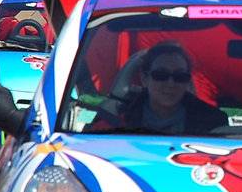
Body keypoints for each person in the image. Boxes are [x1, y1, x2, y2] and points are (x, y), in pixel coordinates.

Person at [88, 42, 229, 135]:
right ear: (144, 79)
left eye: (180, 76)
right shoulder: (114, 117)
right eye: (161, 75)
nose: (170, 83)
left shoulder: (213, 122)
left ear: (187, 81)